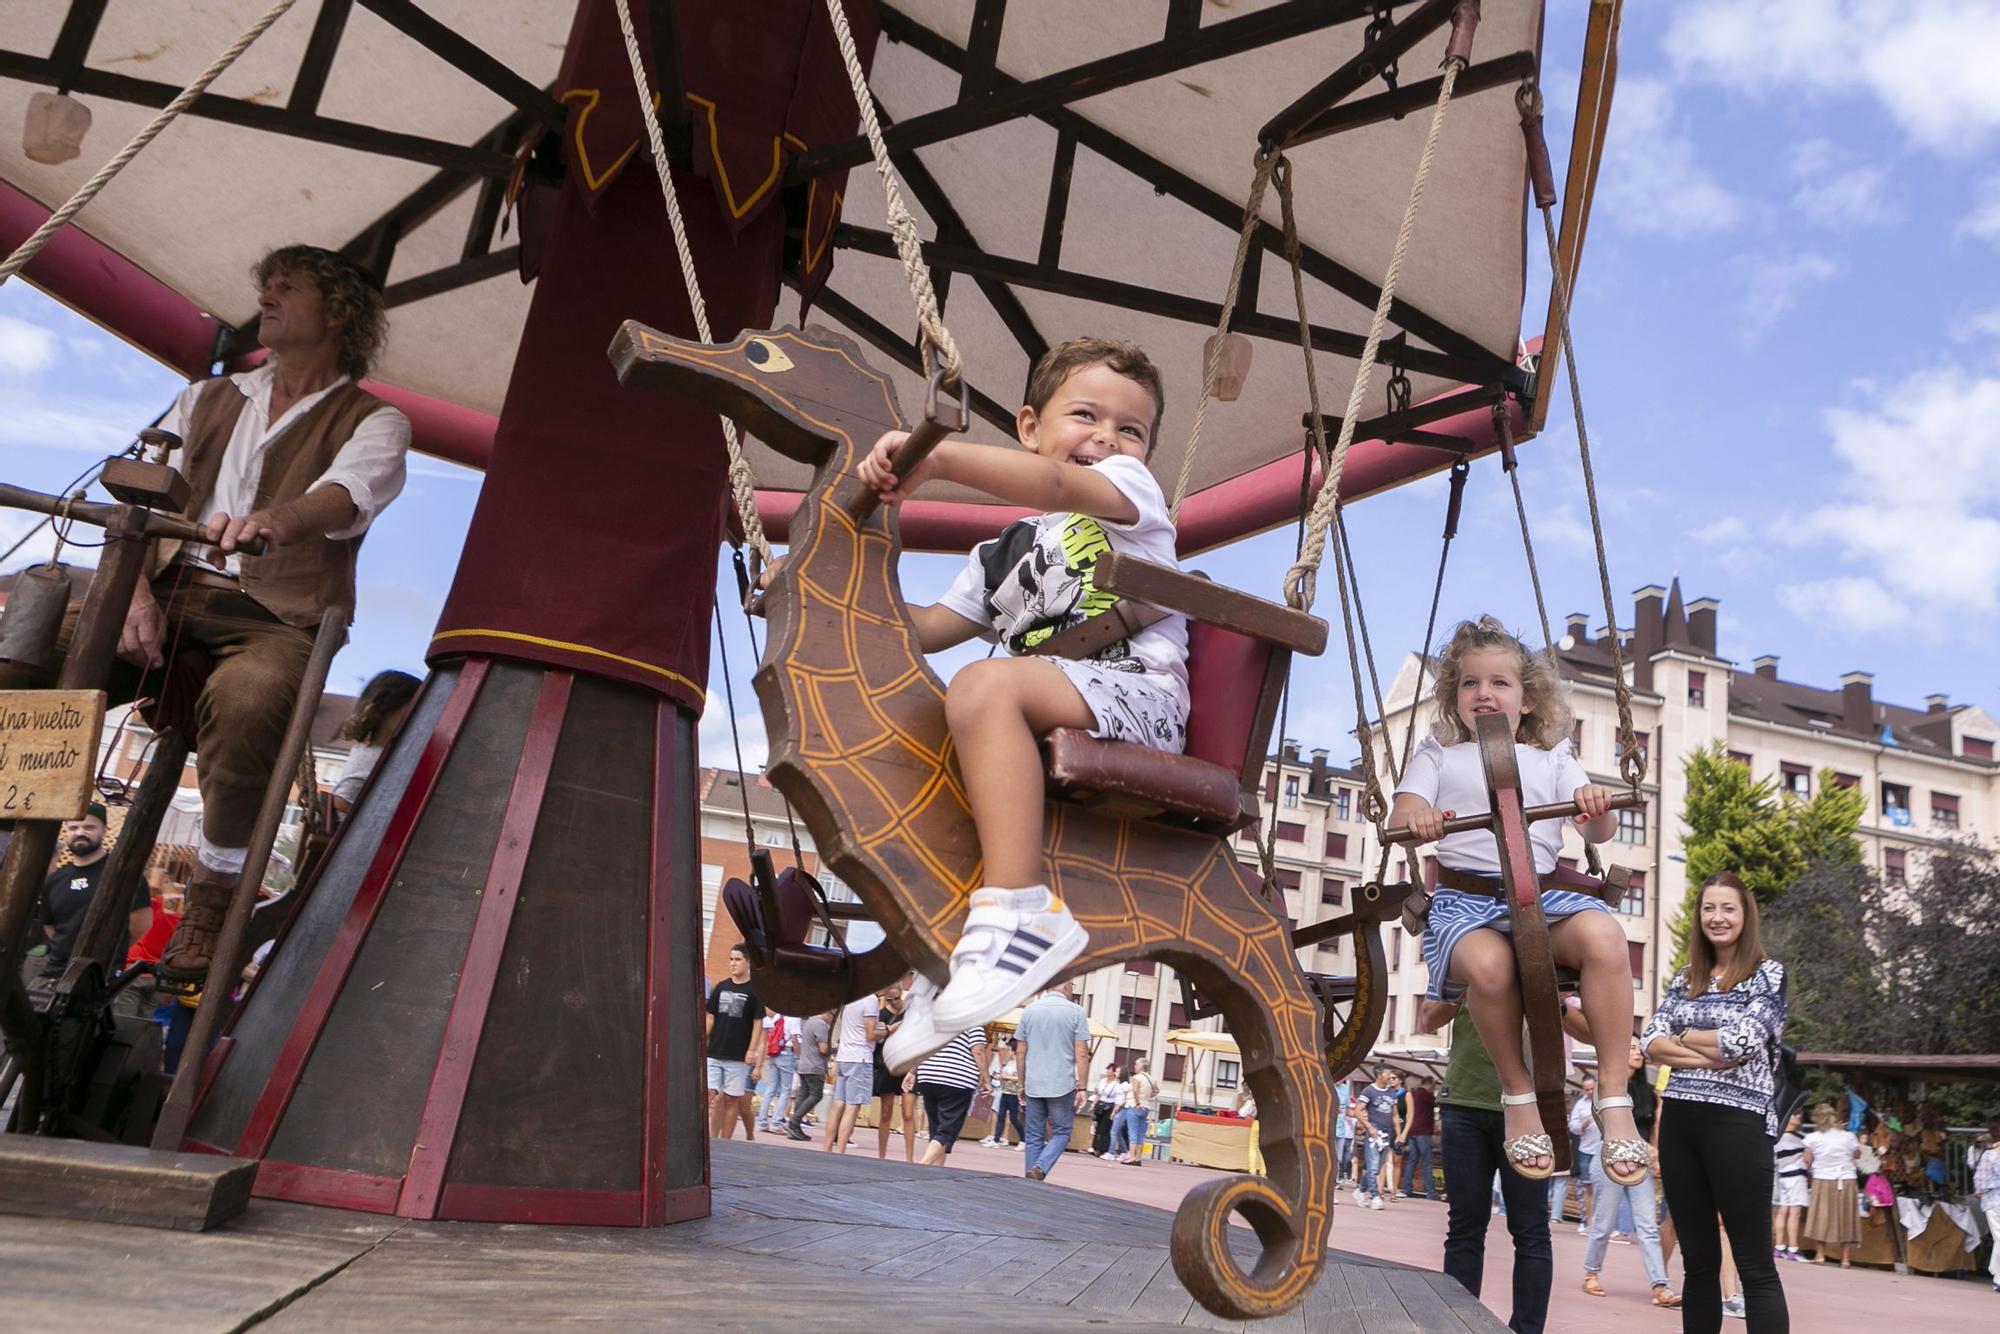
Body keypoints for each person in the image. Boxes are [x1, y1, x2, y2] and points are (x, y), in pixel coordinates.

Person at [865, 339, 1187, 1068]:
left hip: (1138, 697)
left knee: (982, 685)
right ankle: (945, 961)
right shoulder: (999, 553)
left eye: (1130, 429)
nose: (1107, 437)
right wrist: (826, 579)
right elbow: (927, 629)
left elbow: (1058, 487)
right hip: (1055, 700)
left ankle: (1020, 910)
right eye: (1085, 415)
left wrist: (939, 457)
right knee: (931, 732)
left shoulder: (1130, 494)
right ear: (1030, 425)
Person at [102, 245, 409, 996]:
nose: (265, 297)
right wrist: (132, 594)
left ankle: (213, 897)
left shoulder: (376, 420)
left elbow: (347, 494)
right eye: (264, 285)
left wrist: (279, 520)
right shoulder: (207, 396)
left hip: (275, 614)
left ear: (339, 312)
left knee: (251, 703)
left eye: (287, 287)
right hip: (168, 588)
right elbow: (142, 500)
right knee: (28, 649)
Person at [1391, 617, 1646, 1186]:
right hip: (1467, 901)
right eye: (1469, 684)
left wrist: (1593, 802)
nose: (1484, 693)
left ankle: (1612, 1094)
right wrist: (1420, 820)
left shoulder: (1551, 756)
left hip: (1543, 896)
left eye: (1499, 683)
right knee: (1490, 964)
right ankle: (1517, 1092)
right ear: (1454, 697)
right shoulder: (1438, 754)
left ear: (1527, 698)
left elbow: (1598, 832)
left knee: (1605, 936)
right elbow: (1401, 817)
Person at [1641, 873, 1790, 1333]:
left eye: (1728, 908)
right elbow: (1650, 1039)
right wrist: (1705, 1047)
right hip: (1682, 1126)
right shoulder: (1686, 977)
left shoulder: (1769, 973)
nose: (1718, 917)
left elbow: (1744, 1042)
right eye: (1709, 908)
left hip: (1740, 1125)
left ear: (1745, 917)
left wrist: (1681, 1038)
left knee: (1753, 1265)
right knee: (1698, 1263)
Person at [1426, 999, 1553, 1334]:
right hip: (1463, 1101)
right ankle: (1456, 1326)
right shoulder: (1463, 951)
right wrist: (1461, 984)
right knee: (1464, 1228)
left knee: (1532, 1232)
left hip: (1530, 1107)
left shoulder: (1549, 953)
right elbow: (1428, 1018)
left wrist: (1550, 998)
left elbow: (1587, 1025)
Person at [1582, 1041, 1680, 1309]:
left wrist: (1657, 1154)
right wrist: (1648, 1149)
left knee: (1648, 1225)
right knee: (1603, 1222)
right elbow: (1609, 1124)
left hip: (1641, 1162)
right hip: (1610, 1155)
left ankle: (1661, 1286)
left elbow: (1654, 1126)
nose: (1637, 1053)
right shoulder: (1605, 1088)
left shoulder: (1646, 1090)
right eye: (1631, 1048)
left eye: (1639, 1049)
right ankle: (1591, 1272)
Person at [27, 804, 151, 994]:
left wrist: (108, 948)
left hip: (100, 976)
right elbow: (50, 926)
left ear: (105, 830)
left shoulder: (123, 874)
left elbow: (140, 924)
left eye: (89, 827)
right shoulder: (56, 879)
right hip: (56, 971)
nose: (80, 832)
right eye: (74, 828)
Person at [1014, 982, 1091, 1181]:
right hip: (1061, 1083)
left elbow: (1020, 1051)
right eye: (1072, 985)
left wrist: (1021, 1083)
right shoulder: (1076, 1012)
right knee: (1062, 1132)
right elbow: (1082, 1053)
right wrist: (1083, 1087)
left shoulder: (1029, 1011)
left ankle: (1031, 1178)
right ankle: (1040, 1167)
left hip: (1034, 1083)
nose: (1073, 989)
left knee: (1033, 1135)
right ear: (1066, 985)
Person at [330, 669, 420, 814]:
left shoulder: (378, 750)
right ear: (386, 707)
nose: (420, 716)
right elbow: (341, 800)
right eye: (413, 707)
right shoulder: (372, 754)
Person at [703, 945, 764, 1138]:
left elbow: (757, 1023)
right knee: (708, 1094)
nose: (733, 963)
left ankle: (725, 1141)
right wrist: (701, 1040)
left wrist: (751, 1050)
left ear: (747, 962)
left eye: (737, 959)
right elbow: (710, 1017)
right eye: (731, 959)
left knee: (731, 1100)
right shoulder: (721, 987)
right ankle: (705, 1137)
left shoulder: (755, 991)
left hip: (738, 1056)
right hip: (714, 1051)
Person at [915, 1026, 989, 1165]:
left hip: (928, 1072)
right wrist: (986, 1078)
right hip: (956, 1078)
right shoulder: (973, 1019)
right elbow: (978, 1050)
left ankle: (935, 1174)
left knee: (936, 1129)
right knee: (946, 1131)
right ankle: (922, 1166)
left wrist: (913, 1071)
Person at [1800, 1102, 1861, 1268]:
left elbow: (1807, 1160)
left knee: (1822, 1216)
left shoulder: (1812, 1138)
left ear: (1817, 1119)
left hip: (1822, 1178)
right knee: (1846, 1217)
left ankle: (1820, 1255)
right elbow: (1857, 1154)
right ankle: (1845, 1258)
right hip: (1846, 1179)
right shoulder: (1848, 1136)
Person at [823, 988, 883, 1154]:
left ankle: (827, 1147)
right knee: (852, 1106)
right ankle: (841, 1149)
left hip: (844, 1055)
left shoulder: (851, 997)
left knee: (837, 1104)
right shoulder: (871, 1000)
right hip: (860, 1056)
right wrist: (888, 1031)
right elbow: (871, 1034)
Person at [872, 982, 919, 1161]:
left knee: (908, 1113)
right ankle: (882, 1156)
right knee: (886, 1112)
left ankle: (909, 1158)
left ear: (902, 995)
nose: (893, 1003)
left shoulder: (910, 1015)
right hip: (887, 1066)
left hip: (906, 1065)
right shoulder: (881, 1015)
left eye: (896, 998)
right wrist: (889, 1031)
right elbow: (875, 1039)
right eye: (889, 1000)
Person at [1352, 1065, 1400, 1210]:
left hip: (1387, 1132)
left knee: (1377, 1168)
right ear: (1379, 1075)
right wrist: (1369, 1128)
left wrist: (1399, 1135)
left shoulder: (1392, 1093)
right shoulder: (1369, 1091)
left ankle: (1360, 1191)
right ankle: (1375, 1197)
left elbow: (1395, 1115)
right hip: (1374, 1130)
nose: (1391, 1077)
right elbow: (1358, 1111)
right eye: (1388, 1074)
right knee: (1373, 1167)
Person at [1556, 1076, 1600, 1230]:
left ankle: (1600, 1223)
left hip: (1602, 1149)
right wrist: (1582, 1125)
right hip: (1586, 1149)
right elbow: (1572, 1126)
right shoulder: (1580, 1104)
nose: (1589, 1092)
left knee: (1601, 1187)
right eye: (1586, 1089)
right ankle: (1588, 1222)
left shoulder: (1605, 1101)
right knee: (1587, 1187)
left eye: (1591, 1088)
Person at [786, 1008, 833, 1140]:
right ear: (829, 1013)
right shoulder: (821, 1025)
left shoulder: (810, 1022)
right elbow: (823, 1049)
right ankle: (794, 1121)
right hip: (815, 1066)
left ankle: (795, 1128)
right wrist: (834, 1048)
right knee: (816, 1095)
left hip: (804, 1064)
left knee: (803, 1095)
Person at [1770, 1109, 1810, 1262]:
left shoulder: (1777, 1137)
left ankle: (1779, 1247)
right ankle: (1793, 1248)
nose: (1799, 1117)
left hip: (1783, 1177)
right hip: (1796, 1177)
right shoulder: (1799, 1138)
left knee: (1783, 1210)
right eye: (1795, 1114)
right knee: (1795, 1212)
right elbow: (1808, 1159)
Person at [754, 1012, 797, 1134]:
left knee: (770, 1088)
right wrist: (799, 1056)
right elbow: (794, 1039)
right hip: (787, 1053)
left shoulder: (777, 1016)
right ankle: (776, 1123)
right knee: (785, 1090)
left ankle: (762, 1122)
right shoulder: (794, 1017)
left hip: (774, 1052)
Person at [1399, 1073, 1439, 1199]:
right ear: (1430, 1085)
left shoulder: (1413, 1094)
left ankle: (1406, 1188)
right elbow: (1438, 1103)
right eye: (1433, 1086)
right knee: (1426, 1161)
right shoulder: (1427, 1095)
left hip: (1412, 1130)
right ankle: (1430, 1192)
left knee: (1412, 1160)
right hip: (1423, 1132)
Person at [982, 1039, 1026, 1147]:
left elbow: (1021, 1078)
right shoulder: (1009, 1062)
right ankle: (996, 1140)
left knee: (1014, 1118)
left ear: (1015, 1051)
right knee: (1001, 1115)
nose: (1008, 1051)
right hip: (1005, 1091)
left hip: (1014, 1094)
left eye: (1010, 1049)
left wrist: (1005, 1077)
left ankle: (1023, 1140)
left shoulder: (1020, 1064)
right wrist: (1000, 1077)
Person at [1112, 1057, 1155, 1165]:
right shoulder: (1150, 1078)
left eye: (1136, 1065)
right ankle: (1138, 1158)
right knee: (1140, 1134)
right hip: (1146, 1107)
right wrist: (1146, 1098)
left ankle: (1131, 1157)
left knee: (1133, 1133)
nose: (1134, 1066)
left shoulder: (1137, 1077)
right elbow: (1156, 1090)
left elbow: (1135, 1090)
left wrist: (1137, 1102)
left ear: (1141, 1066)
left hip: (1134, 1106)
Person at [1973, 1127, 2000, 1293]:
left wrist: (1979, 1190)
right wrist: (1980, 1190)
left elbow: (1979, 1182)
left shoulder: (1989, 1155)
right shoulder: (1990, 1156)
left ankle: (1997, 1274)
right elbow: (1980, 1182)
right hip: (1994, 1202)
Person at [1092, 1062, 1125, 1158]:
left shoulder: (1117, 1084)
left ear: (1114, 1072)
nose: (1107, 1071)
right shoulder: (1102, 1081)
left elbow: (1118, 1098)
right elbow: (1098, 1093)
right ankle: (1095, 1147)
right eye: (1107, 1069)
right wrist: (1093, 1104)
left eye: (1109, 1070)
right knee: (1097, 1127)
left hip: (1110, 1106)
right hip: (1101, 1104)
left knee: (1105, 1128)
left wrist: (1115, 1110)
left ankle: (1103, 1148)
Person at [1335, 1077, 1355, 1185]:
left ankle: (1335, 1182)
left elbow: (1348, 1112)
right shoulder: (1328, 1085)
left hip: (1341, 1129)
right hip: (1330, 1127)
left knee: (1338, 1159)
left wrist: (1360, 1114)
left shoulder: (1346, 1089)